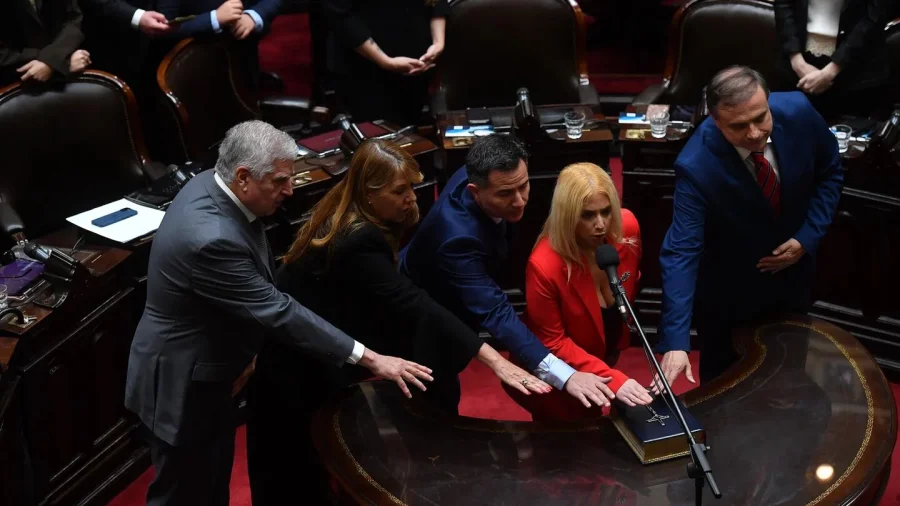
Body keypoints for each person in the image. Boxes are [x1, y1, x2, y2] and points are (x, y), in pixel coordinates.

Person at [124, 121, 433, 506]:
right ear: (242, 177)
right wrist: (369, 357)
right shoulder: (211, 239)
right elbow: (277, 309)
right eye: (280, 181)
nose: (290, 190)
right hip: (184, 386)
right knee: (185, 494)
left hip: (211, 372)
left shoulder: (213, 185)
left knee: (210, 486)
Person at [246, 138, 550, 505]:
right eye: (400, 190)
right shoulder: (359, 240)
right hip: (295, 367)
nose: (411, 198)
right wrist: (494, 360)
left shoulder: (349, 207)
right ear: (370, 193)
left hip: (316, 346)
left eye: (411, 187)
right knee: (298, 474)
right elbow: (418, 304)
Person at [401, 135, 620, 411]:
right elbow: (496, 312)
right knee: (435, 403)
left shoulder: (486, 171)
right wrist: (566, 375)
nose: (519, 201)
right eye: (505, 194)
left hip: (452, 283)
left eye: (523, 186)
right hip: (423, 318)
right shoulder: (456, 240)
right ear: (475, 191)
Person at [656, 66, 843, 388]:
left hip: (793, 281)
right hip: (729, 295)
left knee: (789, 380)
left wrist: (807, 236)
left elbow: (830, 174)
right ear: (716, 121)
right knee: (725, 389)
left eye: (760, 118)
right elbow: (682, 250)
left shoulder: (798, 111)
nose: (755, 133)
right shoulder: (696, 164)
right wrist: (676, 341)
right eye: (739, 126)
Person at [504, 163, 654, 420]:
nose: (601, 224)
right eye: (587, 215)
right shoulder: (544, 265)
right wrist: (614, 379)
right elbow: (554, 343)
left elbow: (631, 280)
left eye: (606, 211)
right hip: (556, 375)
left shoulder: (626, 227)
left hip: (602, 352)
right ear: (568, 216)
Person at [323, 0, 446, 125]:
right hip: (365, 72)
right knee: (377, 132)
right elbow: (339, 15)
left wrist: (438, 42)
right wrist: (386, 61)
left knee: (412, 131)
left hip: (418, 70)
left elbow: (437, 4)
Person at [774, 0, 891, 119]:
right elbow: (783, 4)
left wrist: (832, 70)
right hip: (796, 71)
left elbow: (874, 17)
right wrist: (798, 62)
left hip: (855, 76)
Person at [2, 0, 90, 86]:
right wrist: (60, 62)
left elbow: (74, 19)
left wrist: (53, 58)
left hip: (67, 68)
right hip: (15, 80)